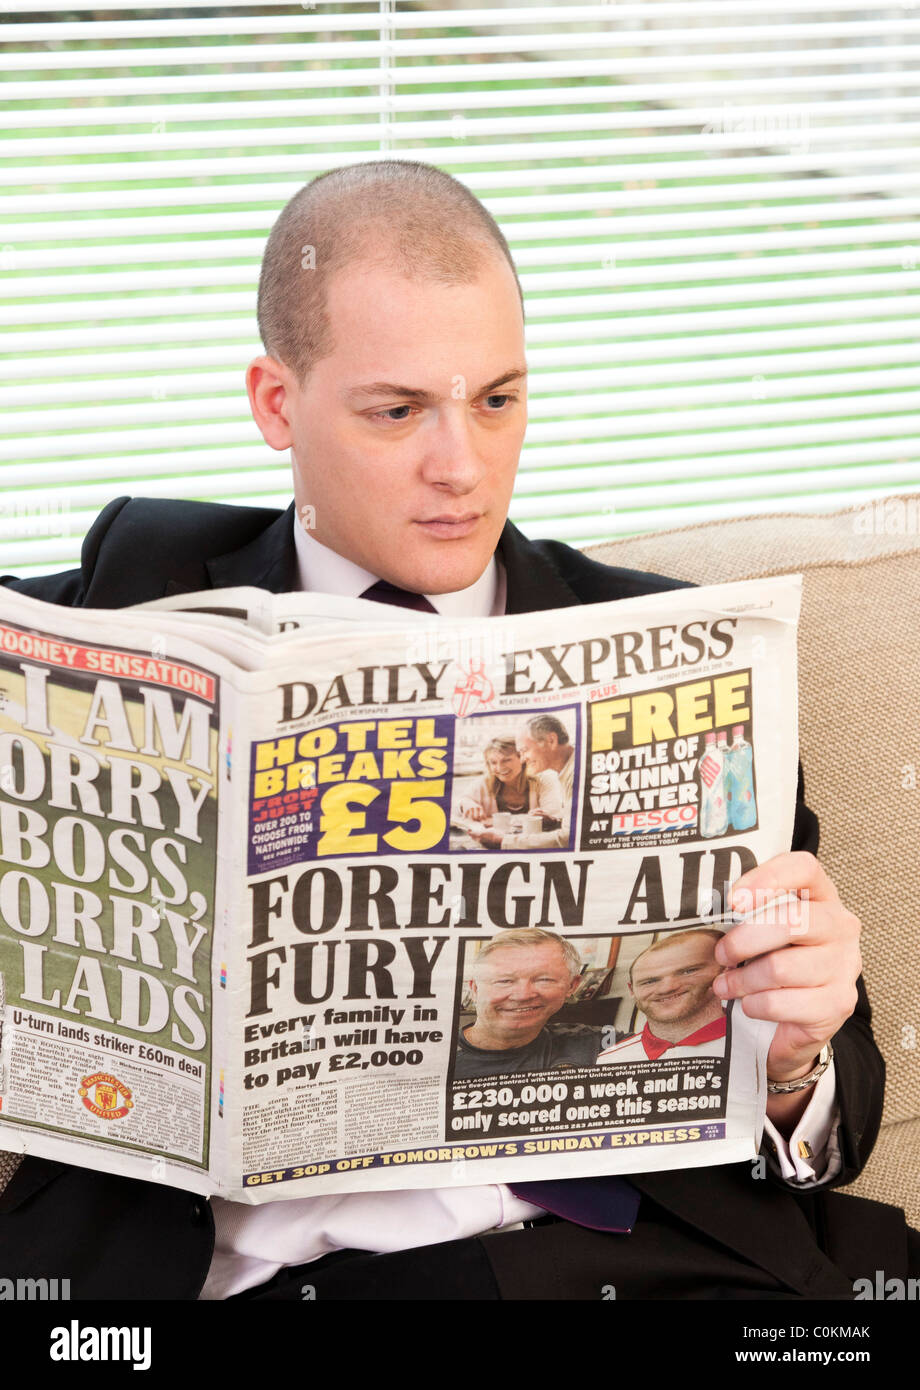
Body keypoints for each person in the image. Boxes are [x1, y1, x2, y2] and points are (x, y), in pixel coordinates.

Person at [0, 159, 910, 1301]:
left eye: (496, 399)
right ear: (277, 403)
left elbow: (829, 1103)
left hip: (640, 1267)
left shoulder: (674, 648)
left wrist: (792, 1060)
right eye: (397, 411)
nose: (462, 469)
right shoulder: (119, 607)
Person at [455, 928, 599, 1078]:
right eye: (504, 981)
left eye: (544, 980)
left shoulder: (595, 1044)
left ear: (572, 985)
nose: (523, 995)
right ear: (475, 989)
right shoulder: (437, 1056)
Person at [597, 929, 727, 1063]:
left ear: (725, 971)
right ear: (632, 990)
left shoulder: (748, 1046)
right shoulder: (608, 1059)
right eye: (650, 981)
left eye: (688, 972)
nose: (667, 988)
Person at [471, 715, 576, 850]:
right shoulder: (568, 771)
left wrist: (503, 841)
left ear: (551, 741)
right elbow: (577, 828)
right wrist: (555, 822)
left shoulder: (574, 775)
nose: (522, 760)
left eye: (524, 750)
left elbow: (568, 838)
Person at [457, 734, 564, 835]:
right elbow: (462, 802)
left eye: (506, 760)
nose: (499, 768)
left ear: (522, 758)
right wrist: (466, 804)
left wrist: (492, 821)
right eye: (493, 763)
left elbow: (554, 815)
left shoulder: (544, 780)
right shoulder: (484, 783)